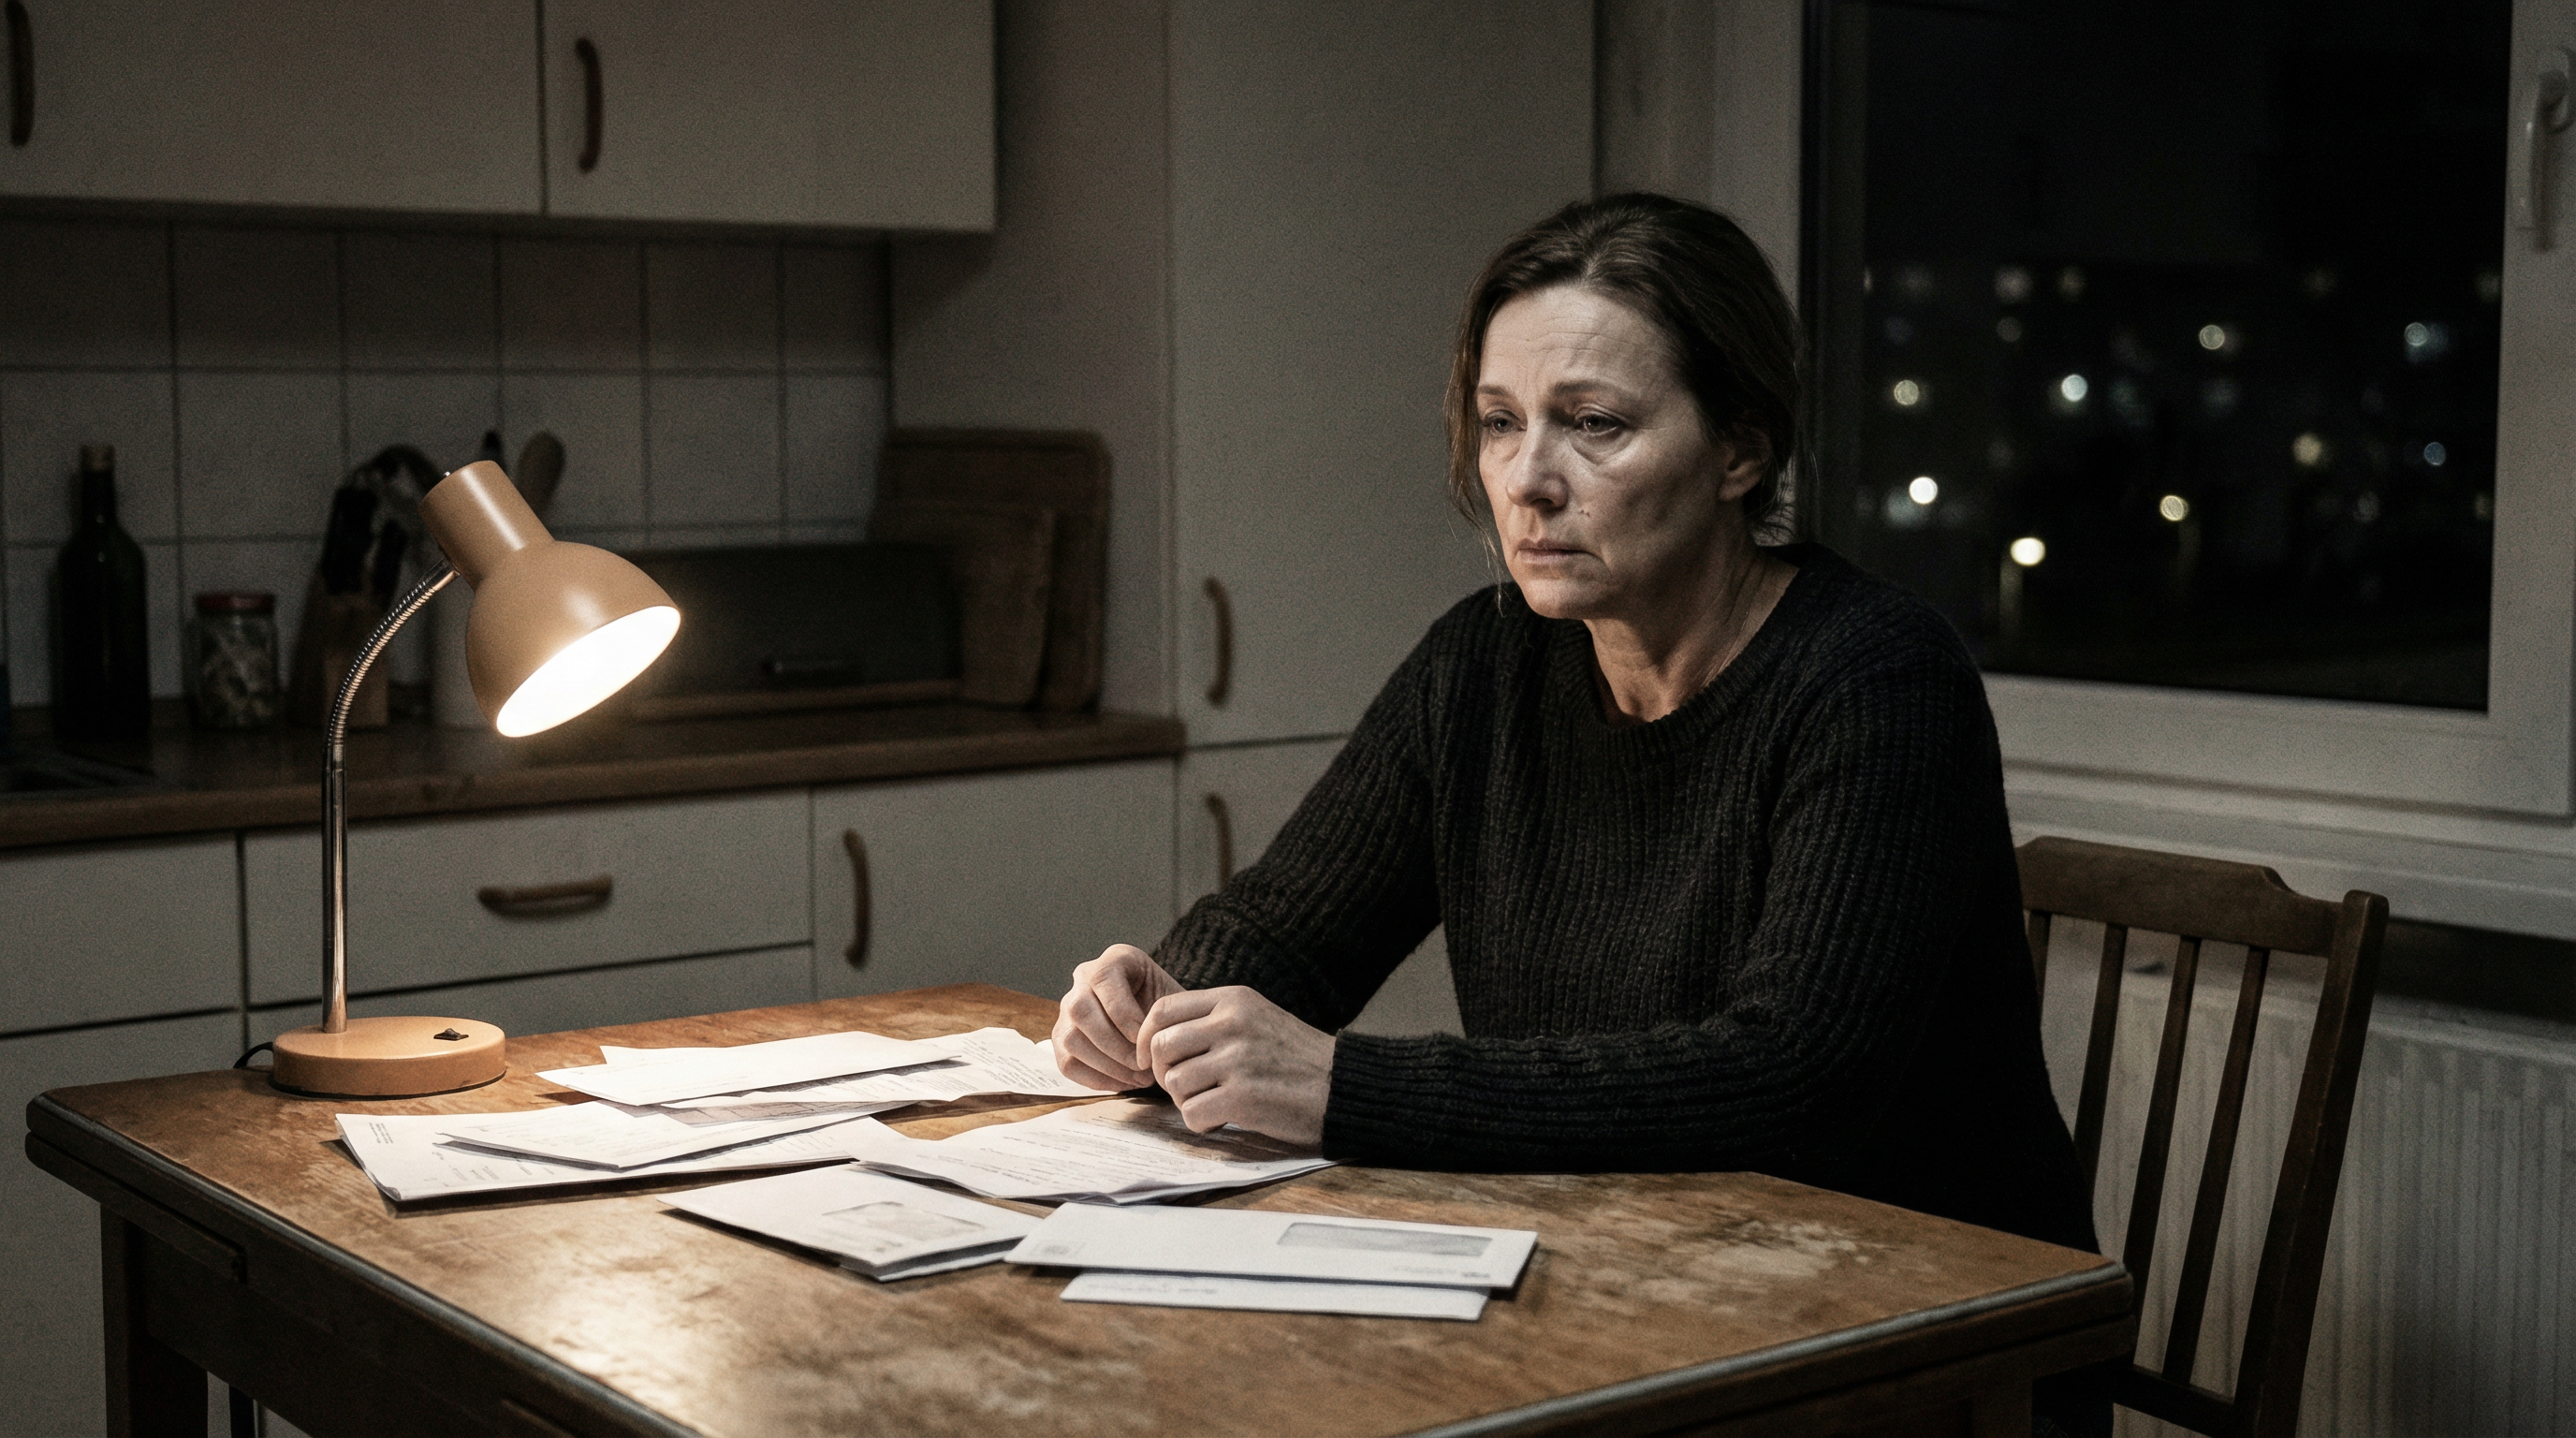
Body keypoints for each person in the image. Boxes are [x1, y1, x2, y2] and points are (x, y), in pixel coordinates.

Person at [1053, 190, 2099, 1334]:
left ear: (1740, 448)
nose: (1525, 480)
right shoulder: (1485, 662)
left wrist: (1348, 1088)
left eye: (1592, 423)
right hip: (1625, 1283)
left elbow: (1791, 1082)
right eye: (1500, 422)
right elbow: (1286, 931)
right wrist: (1158, 1004)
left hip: (1919, 1327)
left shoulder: (1876, 680)